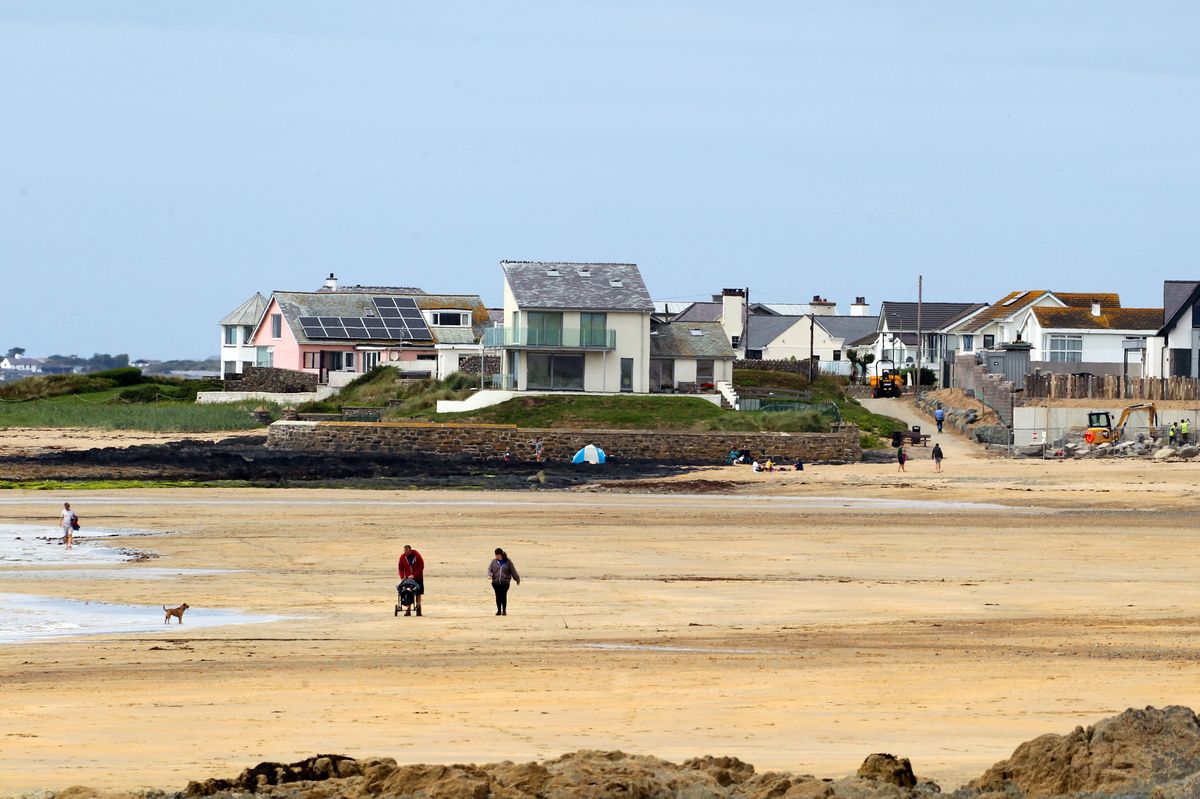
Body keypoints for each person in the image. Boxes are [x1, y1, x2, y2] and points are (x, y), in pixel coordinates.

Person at [488, 548, 520, 615]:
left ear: (501, 554)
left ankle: (504, 611)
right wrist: (490, 575)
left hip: (505, 582)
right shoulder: (493, 562)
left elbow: (513, 571)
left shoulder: (508, 562)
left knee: (503, 595)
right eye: (496, 555)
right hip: (495, 582)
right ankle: (499, 610)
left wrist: (517, 579)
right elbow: (490, 569)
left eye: (498, 555)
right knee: (498, 596)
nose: (496, 556)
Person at [397, 544, 425, 616]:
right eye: (405, 551)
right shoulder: (403, 557)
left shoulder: (417, 556)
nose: (406, 552)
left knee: (418, 593)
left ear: (410, 550)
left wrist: (414, 575)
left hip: (418, 578)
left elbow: (421, 566)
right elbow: (400, 568)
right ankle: (408, 609)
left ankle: (418, 608)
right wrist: (402, 577)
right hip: (408, 579)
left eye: (407, 551)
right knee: (408, 592)